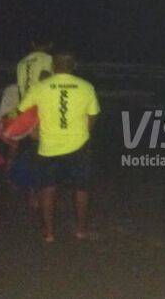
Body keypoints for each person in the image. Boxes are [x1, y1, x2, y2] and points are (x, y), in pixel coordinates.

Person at [17, 52, 100, 242]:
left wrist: (32, 130)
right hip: (78, 145)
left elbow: (21, 110)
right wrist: (85, 131)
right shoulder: (86, 87)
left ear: (53, 66)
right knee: (81, 188)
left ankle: (49, 233)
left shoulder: (40, 87)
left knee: (48, 188)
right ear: (74, 66)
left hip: (49, 146)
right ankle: (81, 230)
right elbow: (93, 115)